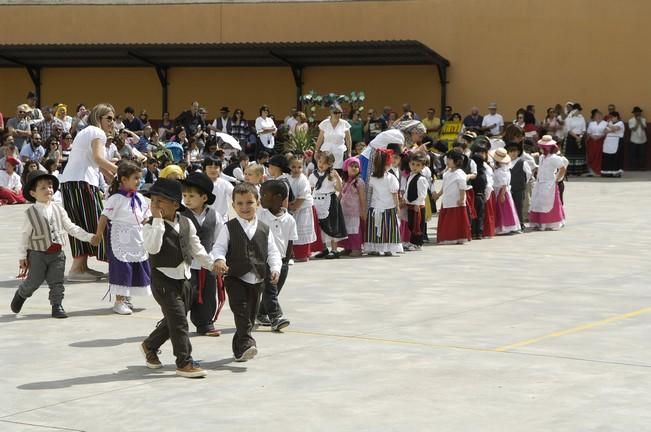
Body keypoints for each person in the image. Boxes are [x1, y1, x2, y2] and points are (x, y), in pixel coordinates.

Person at [141, 178, 215, 378]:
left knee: (174, 320)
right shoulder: (149, 225)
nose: (155, 205)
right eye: (152, 201)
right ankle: (184, 362)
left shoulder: (186, 222)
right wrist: (156, 220)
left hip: (185, 278)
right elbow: (153, 247)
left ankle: (150, 345)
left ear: (175, 203)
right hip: (163, 279)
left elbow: (196, 248)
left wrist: (211, 265)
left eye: (160, 201)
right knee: (180, 322)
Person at [11, 170, 98, 318]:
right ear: (33, 193)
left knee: (56, 281)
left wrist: (89, 237)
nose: (48, 190)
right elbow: (25, 236)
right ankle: (22, 293)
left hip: (57, 254)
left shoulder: (59, 209)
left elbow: (71, 227)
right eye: (43, 188)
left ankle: (57, 305)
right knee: (34, 280)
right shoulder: (30, 213)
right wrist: (22, 256)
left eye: (50, 186)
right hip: (37, 254)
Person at [212, 182, 282, 362]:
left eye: (249, 202)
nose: (244, 207)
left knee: (250, 315)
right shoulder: (229, 227)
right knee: (241, 312)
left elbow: (273, 252)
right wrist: (219, 259)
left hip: (257, 278)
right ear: (233, 205)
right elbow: (218, 248)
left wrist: (275, 268)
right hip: (235, 276)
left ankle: (240, 350)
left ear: (257, 203)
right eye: (240, 203)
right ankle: (249, 343)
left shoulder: (265, 229)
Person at [60, 103, 118, 282]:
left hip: (70, 182)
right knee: (98, 222)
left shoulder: (85, 132)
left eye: (114, 119)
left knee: (80, 223)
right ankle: (115, 266)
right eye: (109, 118)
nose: (112, 122)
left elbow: (96, 163)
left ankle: (79, 268)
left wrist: (113, 177)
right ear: (99, 117)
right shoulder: (97, 132)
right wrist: (123, 172)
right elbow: (100, 158)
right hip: (82, 183)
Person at [94, 161, 151, 315]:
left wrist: (152, 230)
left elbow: (145, 217)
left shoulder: (140, 197)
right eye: (135, 178)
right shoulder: (116, 199)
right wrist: (98, 234)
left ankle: (127, 297)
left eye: (140, 178)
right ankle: (119, 301)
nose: (139, 181)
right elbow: (104, 217)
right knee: (122, 268)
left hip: (136, 237)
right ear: (124, 179)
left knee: (134, 266)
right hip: (120, 236)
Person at [180, 172, 223, 337]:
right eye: (184, 195)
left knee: (207, 295)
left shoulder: (215, 216)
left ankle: (205, 323)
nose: (187, 199)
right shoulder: (180, 215)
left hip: (208, 264)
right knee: (185, 294)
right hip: (186, 264)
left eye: (191, 195)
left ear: (204, 198)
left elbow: (220, 240)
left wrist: (219, 259)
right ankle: (176, 323)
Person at [256, 180, 297, 331]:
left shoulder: (289, 219)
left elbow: (290, 241)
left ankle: (260, 313)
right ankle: (276, 317)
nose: (261, 199)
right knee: (270, 290)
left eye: (264, 195)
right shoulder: (260, 216)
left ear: (278, 198)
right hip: (265, 261)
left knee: (274, 290)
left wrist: (286, 261)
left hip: (282, 262)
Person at [364, 149, 403, 255]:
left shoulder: (372, 177)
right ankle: (388, 249)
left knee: (375, 229)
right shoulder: (391, 178)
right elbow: (394, 194)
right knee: (388, 229)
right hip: (388, 207)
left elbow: (370, 192)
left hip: (375, 207)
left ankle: (375, 248)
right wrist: (397, 207)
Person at [309, 151, 347, 259]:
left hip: (329, 201)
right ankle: (324, 248)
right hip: (317, 201)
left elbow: (339, 189)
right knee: (320, 225)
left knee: (332, 225)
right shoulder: (313, 175)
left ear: (330, 164)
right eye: (320, 161)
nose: (321, 164)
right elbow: (311, 188)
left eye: (325, 163)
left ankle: (334, 250)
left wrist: (337, 177)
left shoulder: (332, 175)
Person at [529, 136, 567, 230]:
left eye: (542, 147)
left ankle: (551, 223)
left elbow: (562, 168)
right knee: (539, 203)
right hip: (540, 183)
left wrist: (557, 179)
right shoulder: (542, 157)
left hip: (549, 183)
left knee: (549, 203)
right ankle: (540, 222)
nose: (540, 149)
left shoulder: (554, 158)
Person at [432, 150, 470, 244]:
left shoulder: (460, 173)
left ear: (456, 161)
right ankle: (447, 237)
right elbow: (444, 186)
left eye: (450, 159)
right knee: (447, 221)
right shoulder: (447, 173)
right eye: (447, 158)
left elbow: (462, 188)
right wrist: (438, 195)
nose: (447, 161)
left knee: (455, 222)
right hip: (447, 200)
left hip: (456, 201)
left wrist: (461, 199)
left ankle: (456, 238)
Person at [287, 156, 316, 262]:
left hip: (303, 209)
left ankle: (302, 255)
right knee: (293, 231)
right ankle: (293, 253)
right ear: (289, 166)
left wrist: (294, 207)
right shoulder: (289, 178)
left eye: (299, 167)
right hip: (293, 208)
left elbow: (302, 196)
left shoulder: (303, 179)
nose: (296, 169)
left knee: (302, 230)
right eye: (293, 167)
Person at [337, 156, 366, 257]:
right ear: (346, 167)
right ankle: (347, 248)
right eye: (351, 166)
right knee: (346, 230)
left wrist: (363, 211)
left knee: (354, 231)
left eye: (356, 166)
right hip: (344, 211)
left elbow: (362, 198)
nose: (354, 168)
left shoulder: (359, 182)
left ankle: (357, 248)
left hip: (355, 212)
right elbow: (340, 194)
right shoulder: (345, 181)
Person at [401, 152, 429, 250]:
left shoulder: (421, 179)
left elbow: (422, 193)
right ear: (409, 164)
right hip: (410, 204)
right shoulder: (410, 176)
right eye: (413, 164)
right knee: (411, 224)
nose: (414, 167)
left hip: (418, 206)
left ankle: (418, 243)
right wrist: (404, 199)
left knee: (418, 225)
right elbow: (407, 188)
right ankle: (412, 242)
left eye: (418, 165)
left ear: (422, 167)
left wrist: (417, 203)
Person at [491, 148, 521, 235]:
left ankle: (504, 227)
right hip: (500, 190)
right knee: (505, 209)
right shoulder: (503, 168)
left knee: (503, 210)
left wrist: (502, 194)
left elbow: (504, 184)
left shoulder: (502, 170)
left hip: (501, 191)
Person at [315, 104, 352, 171]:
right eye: (335, 113)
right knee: (325, 170)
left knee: (338, 172)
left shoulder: (345, 123)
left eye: (339, 112)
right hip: (326, 152)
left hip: (340, 152)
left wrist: (349, 152)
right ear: (331, 113)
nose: (337, 114)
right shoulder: (324, 123)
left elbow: (348, 139)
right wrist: (316, 150)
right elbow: (320, 138)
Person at [506, 142, 532, 230]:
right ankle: (510, 224)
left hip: (519, 188)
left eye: (515, 151)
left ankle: (520, 224)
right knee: (509, 207)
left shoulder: (522, 162)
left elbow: (528, 174)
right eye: (511, 151)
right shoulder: (505, 162)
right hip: (507, 189)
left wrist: (522, 183)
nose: (513, 153)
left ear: (518, 152)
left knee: (518, 206)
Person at [204, 156, 233, 223]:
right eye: (210, 167)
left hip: (222, 219)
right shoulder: (200, 183)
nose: (213, 170)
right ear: (205, 169)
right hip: (204, 219)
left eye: (216, 167)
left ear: (220, 169)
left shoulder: (225, 183)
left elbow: (234, 194)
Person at [469, 142, 489, 239]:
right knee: (480, 215)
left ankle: (473, 232)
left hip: (473, 196)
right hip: (481, 196)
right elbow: (485, 186)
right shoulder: (483, 174)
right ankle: (479, 233)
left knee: (473, 215)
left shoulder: (472, 174)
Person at [564, 103, 587, 176]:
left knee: (579, 154)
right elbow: (569, 130)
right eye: (576, 110)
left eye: (579, 110)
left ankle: (579, 171)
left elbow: (583, 129)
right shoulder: (569, 118)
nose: (578, 112)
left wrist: (580, 136)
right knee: (571, 154)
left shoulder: (581, 118)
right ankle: (570, 171)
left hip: (580, 137)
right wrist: (576, 137)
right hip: (571, 137)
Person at [602, 112, 625, 177]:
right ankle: (607, 172)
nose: (611, 119)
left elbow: (616, 129)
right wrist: (612, 129)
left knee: (615, 157)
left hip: (617, 141)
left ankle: (616, 172)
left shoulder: (621, 123)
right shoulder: (610, 123)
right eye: (610, 117)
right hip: (608, 141)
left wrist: (609, 126)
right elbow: (604, 131)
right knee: (607, 156)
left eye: (612, 117)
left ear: (616, 117)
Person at [585, 109, 607, 176]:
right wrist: (593, 136)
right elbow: (588, 132)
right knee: (591, 155)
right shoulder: (592, 123)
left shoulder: (605, 123)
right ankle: (592, 170)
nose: (598, 117)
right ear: (594, 116)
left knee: (599, 155)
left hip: (601, 140)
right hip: (592, 141)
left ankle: (598, 170)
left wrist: (599, 137)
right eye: (597, 115)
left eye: (600, 115)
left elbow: (606, 132)